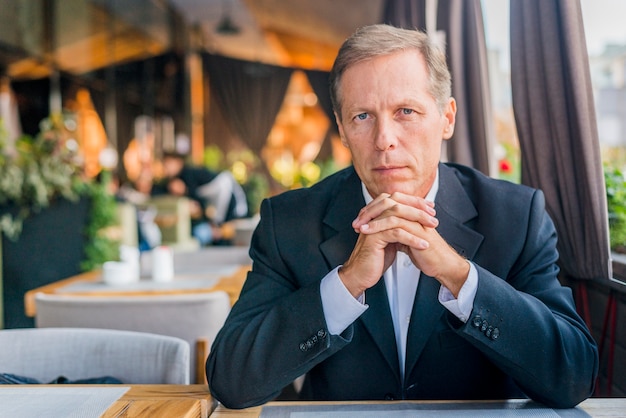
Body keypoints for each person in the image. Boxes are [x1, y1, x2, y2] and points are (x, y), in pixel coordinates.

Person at [206, 24, 598, 409]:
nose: (384, 139)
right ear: (341, 129)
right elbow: (231, 381)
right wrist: (345, 285)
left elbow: (574, 375)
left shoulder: (515, 216)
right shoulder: (290, 221)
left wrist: (459, 275)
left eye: (405, 111)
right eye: (362, 117)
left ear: (446, 118)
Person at [152, 152, 248, 245]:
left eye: (168, 163)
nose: (166, 168)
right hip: (215, 207)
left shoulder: (188, 174)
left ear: (178, 162)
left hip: (225, 194)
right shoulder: (175, 180)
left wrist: (186, 191)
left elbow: (202, 196)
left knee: (222, 225)